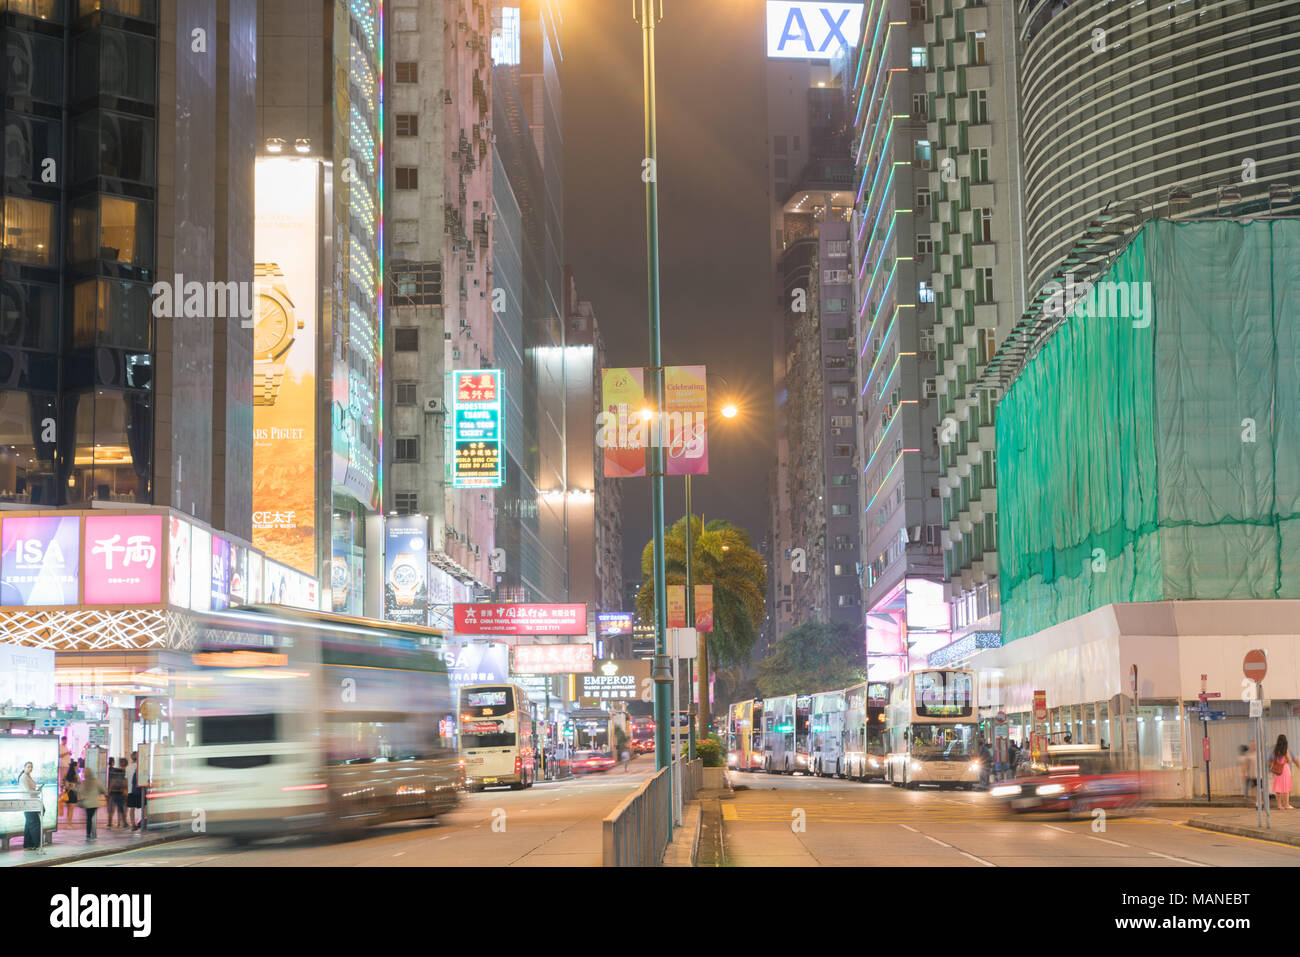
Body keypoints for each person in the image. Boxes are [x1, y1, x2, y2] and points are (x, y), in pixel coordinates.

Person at [1270, 735, 1299, 810]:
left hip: (1277, 770)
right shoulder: (1285, 750)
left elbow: (1274, 760)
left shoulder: (1275, 750)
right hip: (1284, 769)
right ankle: (1286, 805)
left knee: (1278, 788)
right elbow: (1290, 760)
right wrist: (1285, 760)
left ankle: (1279, 805)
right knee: (1285, 787)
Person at [78, 766, 106, 841]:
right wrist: (99, 792)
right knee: (90, 818)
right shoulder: (96, 781)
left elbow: (80, 791)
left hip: (87, 804)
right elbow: (103, 790)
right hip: (94, 804)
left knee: (89, 818)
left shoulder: (84, 783)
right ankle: (91, 833)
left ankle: (88, 834)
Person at [18, 761, 41, 852]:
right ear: (24, 767)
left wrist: (37, 791)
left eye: (31, 767)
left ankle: (27, 845)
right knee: (35, 823)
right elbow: (28, 791)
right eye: (28, 767)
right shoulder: (23, 777)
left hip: (31, 803)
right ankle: (36, 844)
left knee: (29, 824)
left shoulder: (28, 777)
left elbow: (31, 791)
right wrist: (37, 792)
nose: (30, 768)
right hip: (28, 803)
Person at [107, 757, 128, 828]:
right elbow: (124, 781)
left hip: (113, 791)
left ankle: (110, 823)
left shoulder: (111, 771)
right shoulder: (122, 771)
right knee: (121, 808)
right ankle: (122, 823)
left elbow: (112, 781)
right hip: (119, 791)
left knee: (111, 808)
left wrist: (109, 790)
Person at [126, 751, 142, 830]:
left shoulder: (128, 767)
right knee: (143, 806)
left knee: (132, 808)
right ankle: (142, 822)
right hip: (139, 790)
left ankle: (133, 824)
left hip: (130, 790)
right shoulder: (139, 767)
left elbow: (126, 779)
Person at [62, 760, 79, 826]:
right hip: (73, 793)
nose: (78, 767)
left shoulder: (66, 775)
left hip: (67, 793)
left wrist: (68, 786)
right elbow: (78, 784)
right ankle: (69, 824)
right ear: (74, 767)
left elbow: (63, 784)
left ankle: (68, 823)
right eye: (77, 766)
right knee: (71, 810)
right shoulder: (76, 776)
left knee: (69, 809)